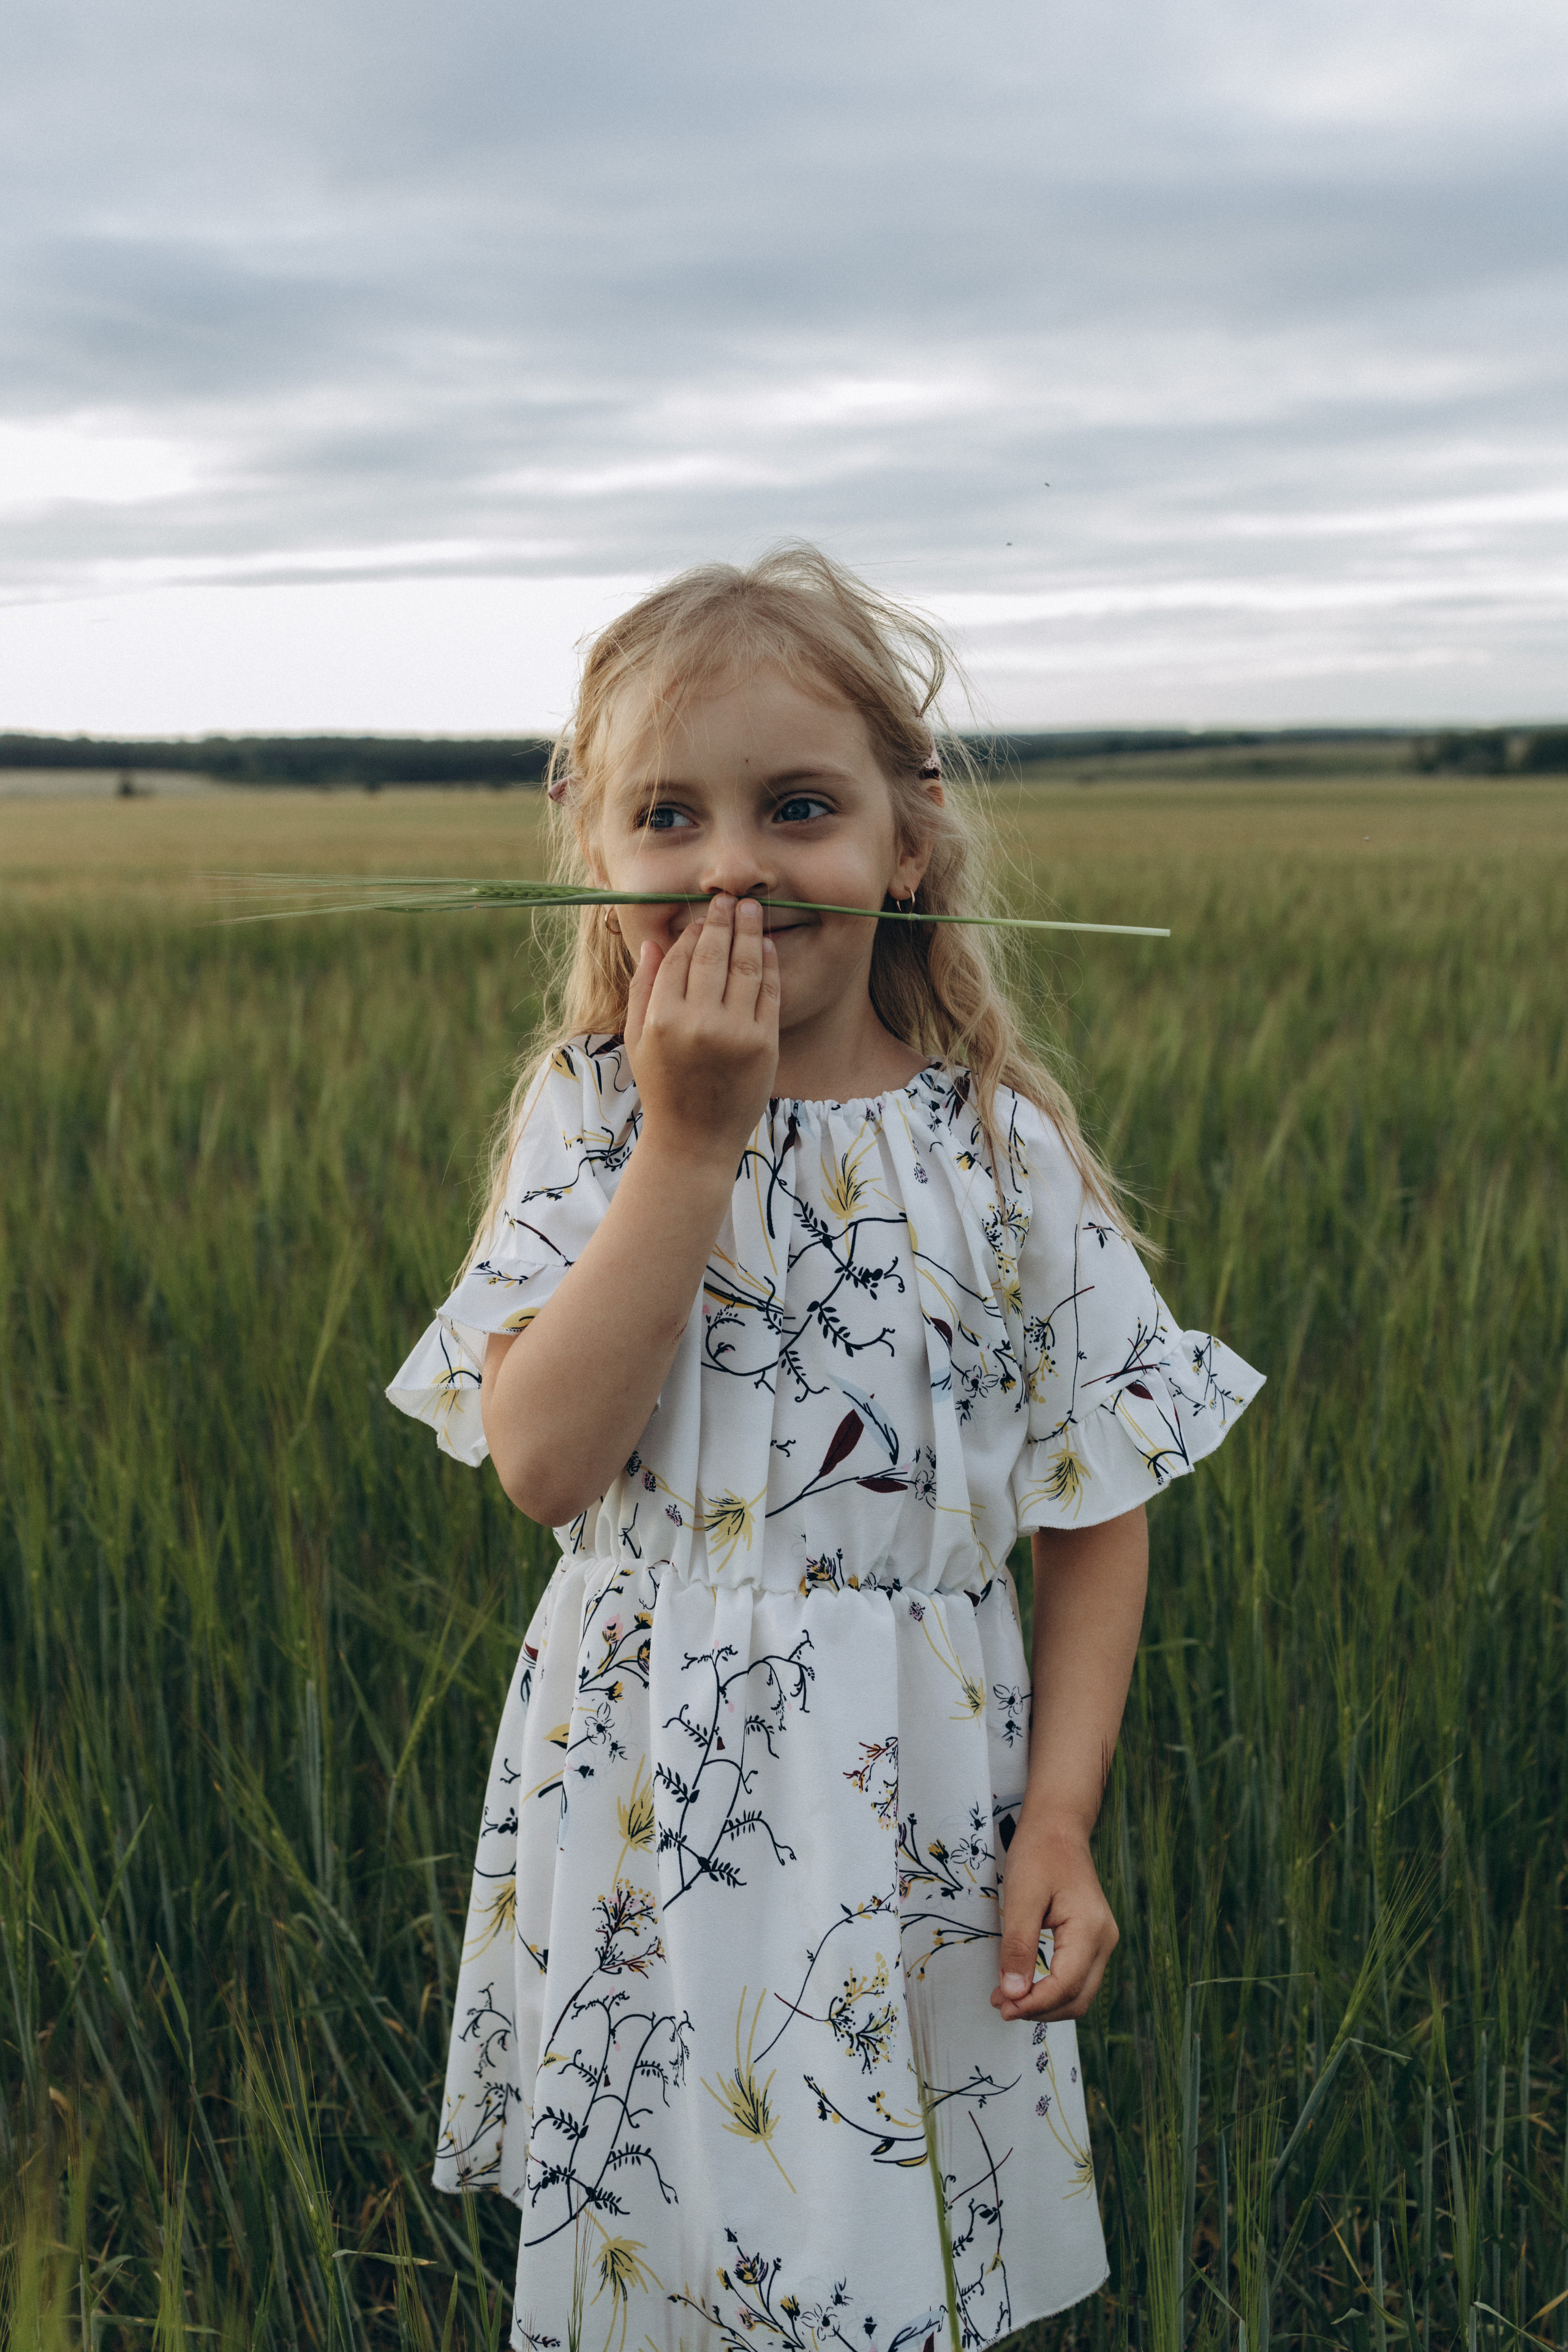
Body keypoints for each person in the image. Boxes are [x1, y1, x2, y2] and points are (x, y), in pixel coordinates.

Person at [388, 546, 1262, 2352]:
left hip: (917, 1807)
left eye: (798, 807)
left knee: (890, 2248)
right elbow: (545, 1466)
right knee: (668, 2257)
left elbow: (1096, 1511)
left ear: (907, 837)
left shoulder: (999, 1154)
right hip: (652, 1799)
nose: (732, 866)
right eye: (667, 816)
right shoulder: (596, 1118)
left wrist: (1066, 1822)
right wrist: (690, 1149)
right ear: (596, 854)